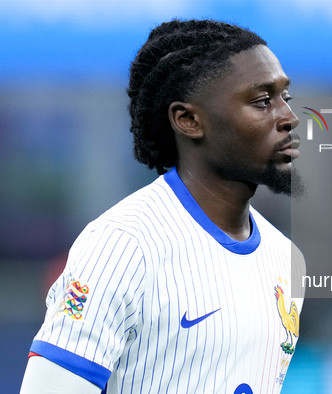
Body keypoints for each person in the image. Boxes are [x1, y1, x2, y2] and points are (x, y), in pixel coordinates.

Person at [21, 19, 305, 394]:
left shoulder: (286, 257)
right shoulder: (123, 244)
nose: (288, 117)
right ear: (188, 120)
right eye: (262, 101)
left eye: (285, 97)